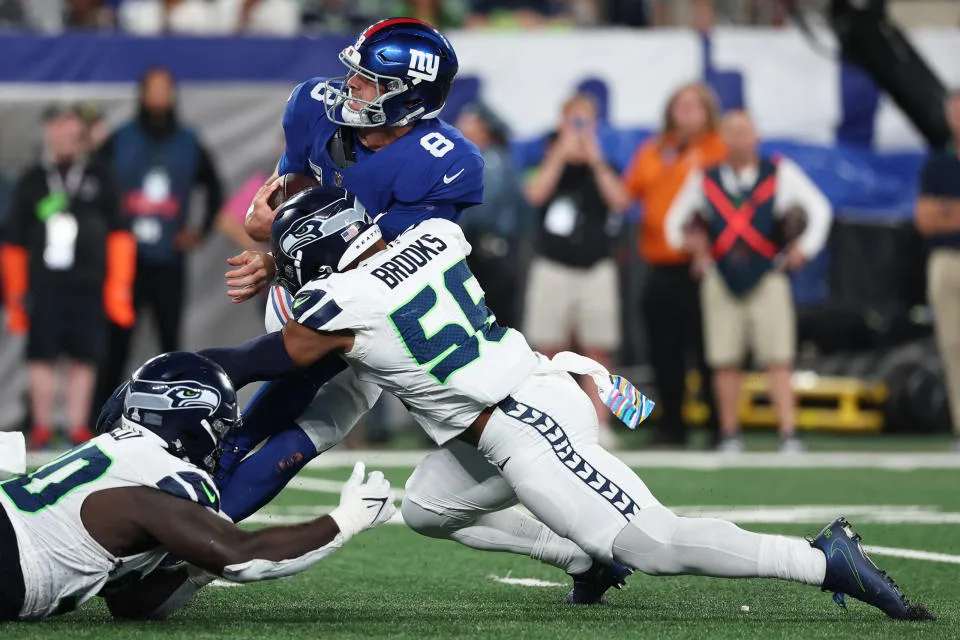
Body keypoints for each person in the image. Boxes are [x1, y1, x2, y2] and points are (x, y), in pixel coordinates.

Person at [205, 185, 931, 621]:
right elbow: (378, 254)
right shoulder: (432, 235)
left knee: (655, 543)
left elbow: (259, 358)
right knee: (427, 508)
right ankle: (583, 562)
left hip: (525, 420)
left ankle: (819, 559)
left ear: (316, 259)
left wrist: (197, 356)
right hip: (501, 412)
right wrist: (292, 246)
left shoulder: (345, 296)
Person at [220, 19, 630, 603]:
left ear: (407, 97)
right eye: (353, 73)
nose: (348, 86)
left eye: (366, 80)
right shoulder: (312, 105)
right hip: (304, 289)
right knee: (247, 422)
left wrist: (281, 255)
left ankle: (194, 543)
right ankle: (193, 516)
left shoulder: (444, 161)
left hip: (366, 315)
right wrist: (274, 249)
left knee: (297, 425)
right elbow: (282, 199)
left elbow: (376, 267)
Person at [0, 351, 394, 622]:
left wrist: (197, 568)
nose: (222, 441)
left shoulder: (117, 453)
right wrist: (348, 519)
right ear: (191, 422)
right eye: (220, 427)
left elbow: (130, 604)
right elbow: (245, 557)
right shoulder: (160, 478)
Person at [664, 110, 832, 453]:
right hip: (720, 276)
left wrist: (804, 249)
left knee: (778, 357)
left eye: (745, 131)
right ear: (722, 138)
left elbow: (820, 209)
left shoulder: (779, 173)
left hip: (768, 274)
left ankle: (788, 433)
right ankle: (730, 434)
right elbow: (672, 223)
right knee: (724, 359)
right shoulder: (705, 178)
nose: (739, 139)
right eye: (732, 132)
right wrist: (692, 248)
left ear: (757, 136)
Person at [1, 104, 135, 450]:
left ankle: (77, 425)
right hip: (44, 284)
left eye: (71, 127)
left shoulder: (99, 175)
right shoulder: (33, 179)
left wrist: (118, 287)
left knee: (84, 355)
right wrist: (15, 293)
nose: (65, 134)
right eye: (58, 126)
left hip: (89, 282)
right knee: (41, 354)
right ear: (48, 131)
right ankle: (43, 425)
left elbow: (120, 233)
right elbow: (14, 240)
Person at [93, 66, 224, 417]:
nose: (159, 95)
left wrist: (199, 230)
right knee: (116, 342)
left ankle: (169, 418)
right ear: (142, 93)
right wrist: (106, 234)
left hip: (168, 258)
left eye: (165, 88)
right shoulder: (120, 139)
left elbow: (214, 187)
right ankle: (101, 418)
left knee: (169, 342)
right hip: (125, 262)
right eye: (152, 88)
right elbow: (94, 185)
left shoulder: (187, 141)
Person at [523, 93, 630, 448]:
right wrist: (561, 152)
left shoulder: (606, 165)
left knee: (598, 350)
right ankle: (549, 421)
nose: (580, 129)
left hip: (595, 267)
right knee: (549, 350)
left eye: (586, 121)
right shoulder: (548, 161)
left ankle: (602, 426)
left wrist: (594, 158)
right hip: (552, 265)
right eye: (574, 121)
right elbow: (535, 195)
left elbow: (621, 202)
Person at [623, 82, 726, 447]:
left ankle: (719, 425)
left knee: (709, 349)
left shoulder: (719, 147)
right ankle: (672, 425)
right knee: (663, 350)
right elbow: (625, 194)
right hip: (659, 264)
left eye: (694, 106)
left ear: (707, 111)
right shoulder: (653, 150)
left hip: (703, 267)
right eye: (680, 106)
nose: (686, 113)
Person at [455, 101, 530, 328]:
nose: (461, 125)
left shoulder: (491, 161)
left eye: (469, 121)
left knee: (492, 319)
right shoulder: (476, 158)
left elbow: (480, 209)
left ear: (483, 127)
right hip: (478, 251)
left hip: (490, 254)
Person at [916, 91, 960, 448]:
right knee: (953, 344)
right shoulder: (937, 165)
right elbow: (927, 221)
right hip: (946, 261)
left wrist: (949, 210)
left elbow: (940, 215)